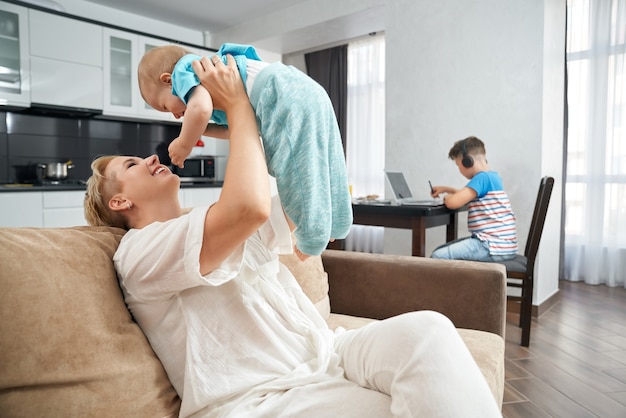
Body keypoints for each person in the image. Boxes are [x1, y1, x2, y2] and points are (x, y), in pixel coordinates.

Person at [84, 55, 501, 418]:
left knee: (429, 330)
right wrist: (238, 107)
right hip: (262, 397)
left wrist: (285, 112)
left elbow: (306, 192)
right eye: (133, 164)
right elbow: (250, 207)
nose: (152, 157)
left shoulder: (211, 223)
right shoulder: (140, 254)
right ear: (120, 203)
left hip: (329, 353)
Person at [137, 43, 352, 260]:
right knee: (327, 160)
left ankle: (311, 237)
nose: (174, 116)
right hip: (306, 89)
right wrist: (202, 129)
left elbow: (200, 110)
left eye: (164, 107)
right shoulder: (210, 82)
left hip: (279, 93)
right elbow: (236, 129)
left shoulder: (185, 71)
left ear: (168, 80)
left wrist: (184, 143)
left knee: (293, 168)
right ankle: (338, 222)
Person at [430, 136, 518, 261]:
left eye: (458, 165)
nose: (459, 170)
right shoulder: (492, 177)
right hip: (502, 245)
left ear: (467, 162)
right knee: (443, 249)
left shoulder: (481, 178)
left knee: (437, 256)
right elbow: (468, 195)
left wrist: (447, 197)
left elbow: (452, 203)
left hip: (490, 245)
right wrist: (447, 189)